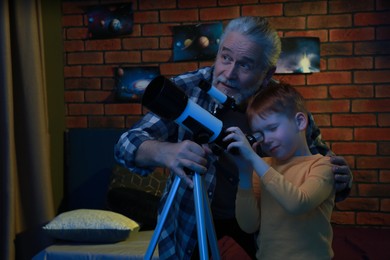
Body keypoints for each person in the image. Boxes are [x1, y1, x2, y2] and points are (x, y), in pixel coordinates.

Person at [114, 16, 352, 259]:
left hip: (262, 215)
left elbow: (320, 159)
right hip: (193, 214)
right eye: (225, 58)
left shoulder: (283, 104)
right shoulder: (189, 87)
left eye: (245, 65)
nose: (228, 74)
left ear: (266, 73)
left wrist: (340, 177)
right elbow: (126, 144)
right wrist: (165, 152)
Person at [226, 82, 335, 259]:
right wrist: (245, 174)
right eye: (259, 134)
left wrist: (253, 159)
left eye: (272, 128)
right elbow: (249, 225)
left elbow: (297, 204)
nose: (266, 140)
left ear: (300, 121)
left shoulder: (323, 165)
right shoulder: (262, 166)